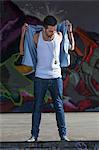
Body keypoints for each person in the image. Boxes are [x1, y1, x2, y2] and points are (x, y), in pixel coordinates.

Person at [19, 15, 75, 142]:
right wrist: (23, 34)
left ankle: (63, 135)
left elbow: (71, 47)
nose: (52, 32)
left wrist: (70, 32)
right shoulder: (36, 37)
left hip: (56, 77)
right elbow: (22, 52)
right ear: (44, 28)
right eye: (50, 30)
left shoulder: (59, 36)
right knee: (37, 106)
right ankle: (34, 136)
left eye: (54, 30)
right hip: (40, 78)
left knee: (59, 107)